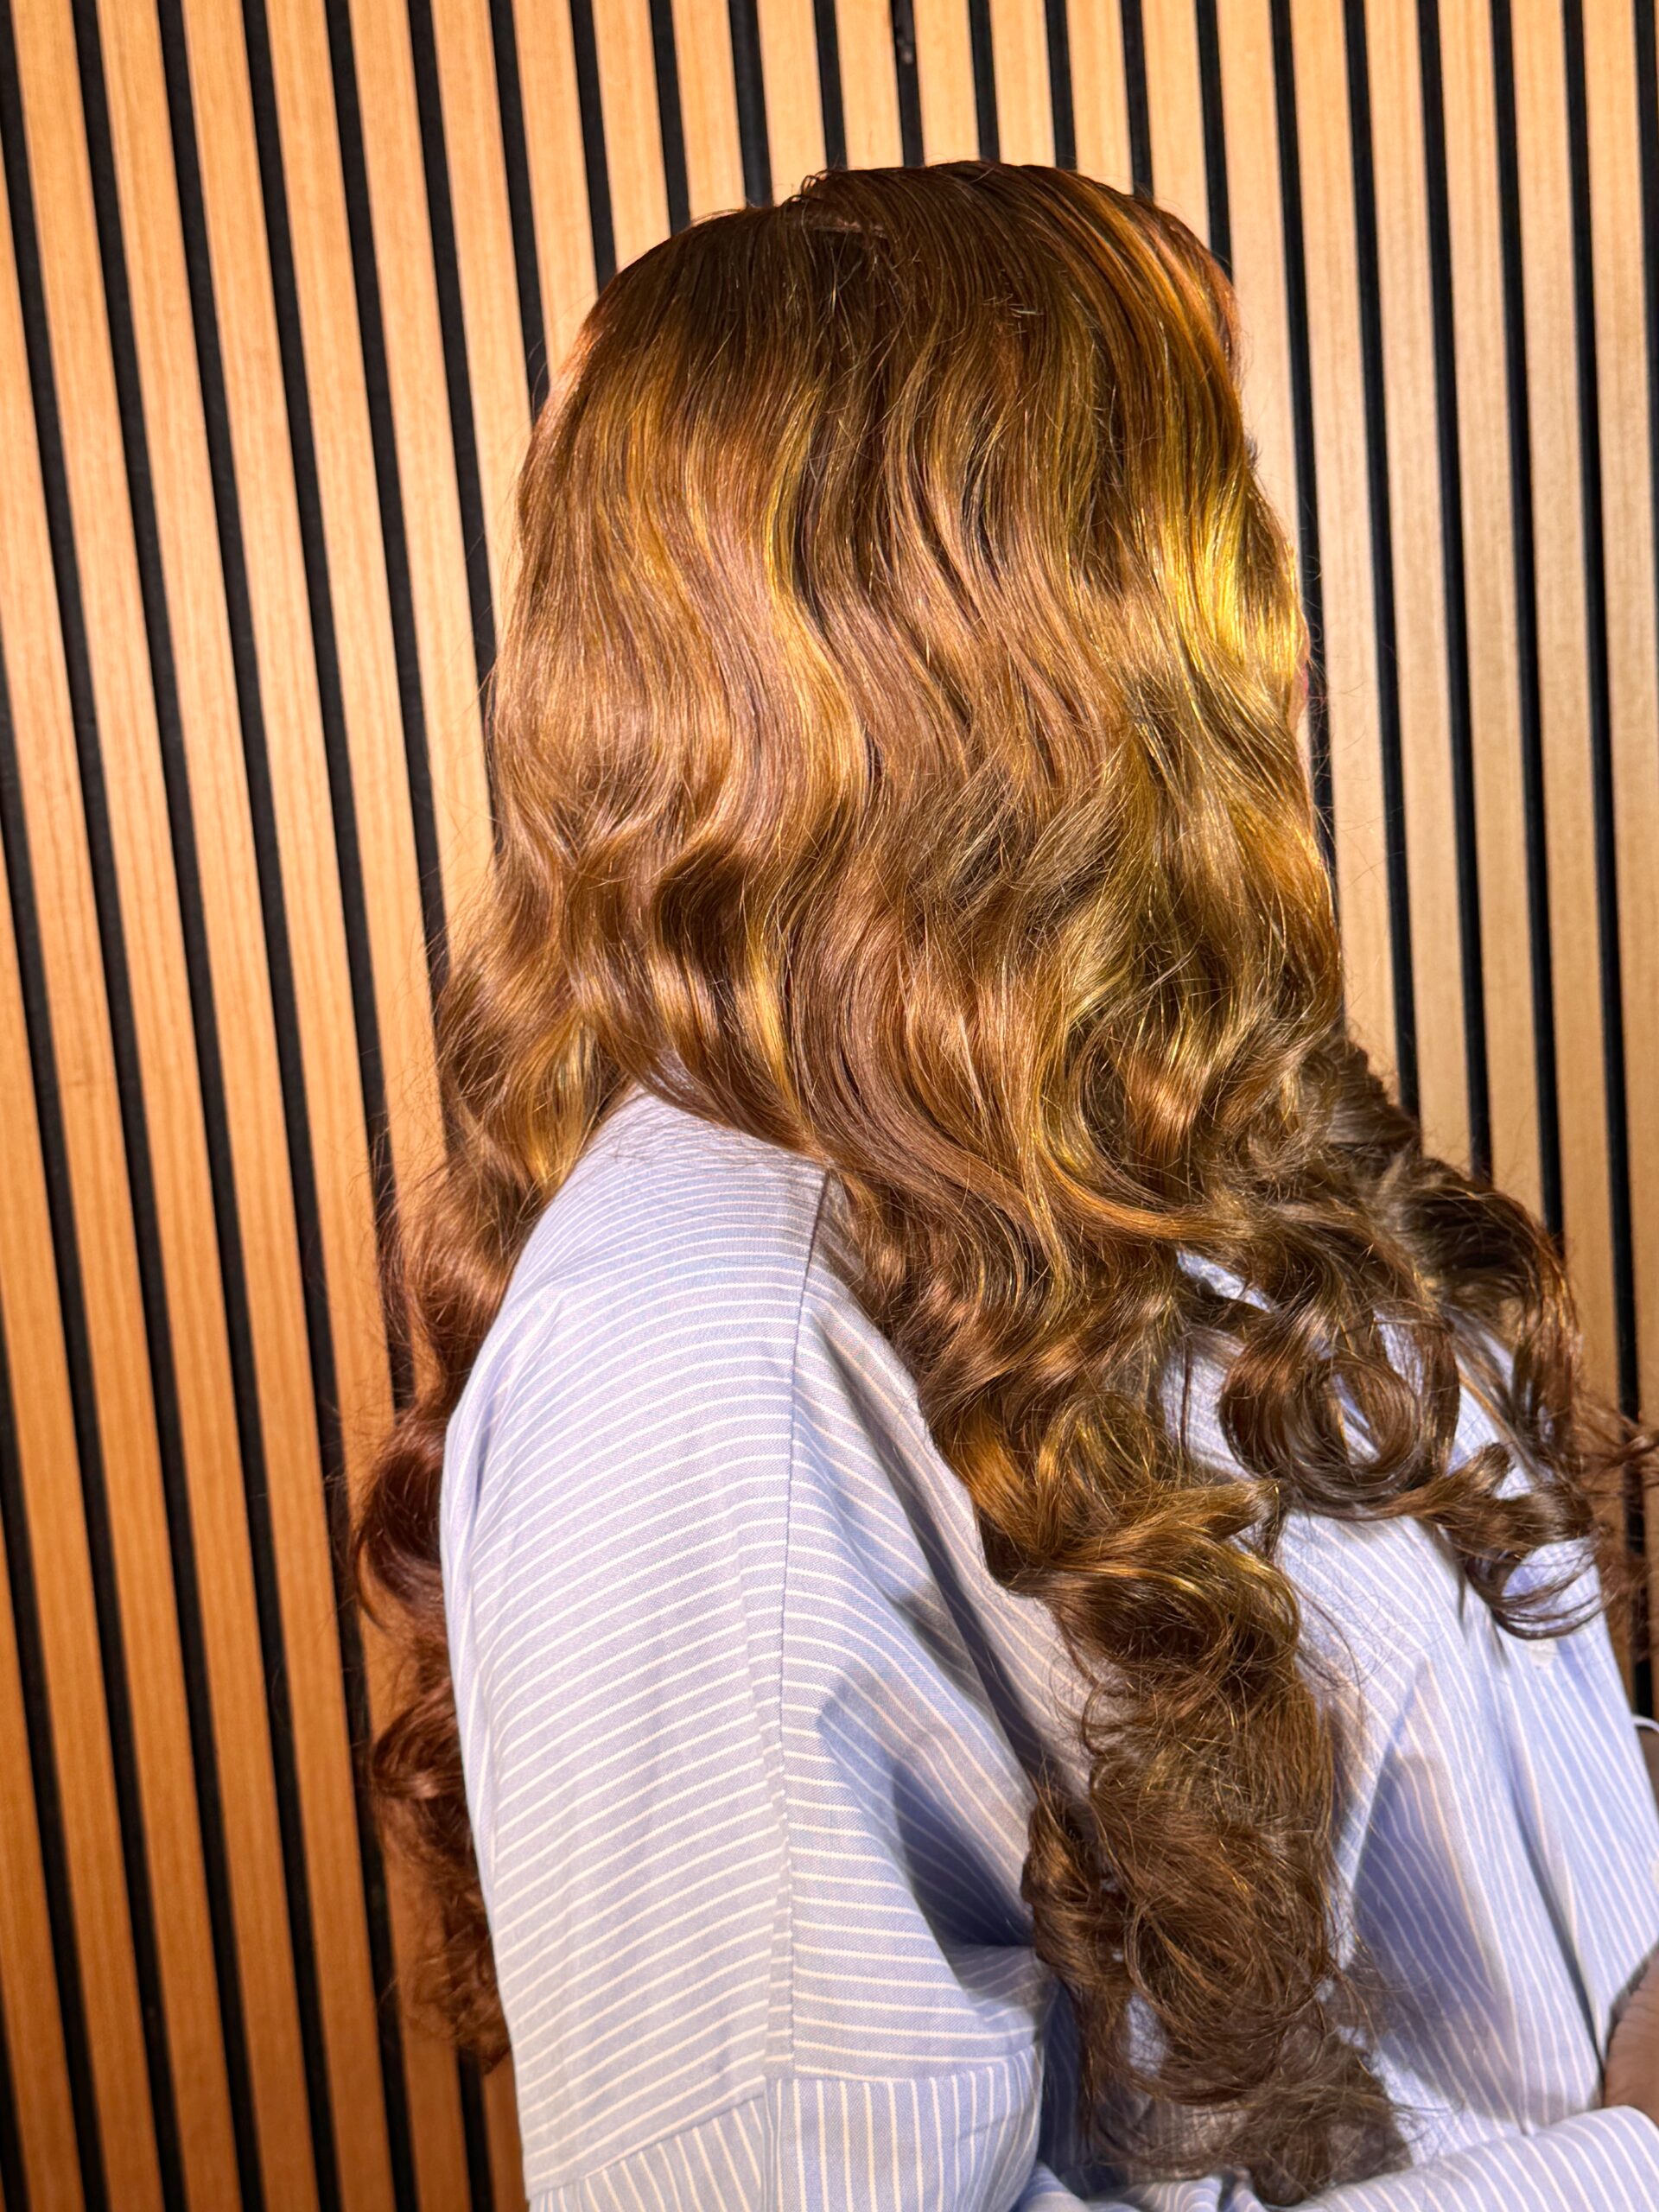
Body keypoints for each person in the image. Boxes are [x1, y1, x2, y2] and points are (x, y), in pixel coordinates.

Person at [353, 161, 1659, 2208]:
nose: (1279, 628)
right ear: (1008, 626)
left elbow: (1429, 1858)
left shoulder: (1108, 1152)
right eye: (1212, 520)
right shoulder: (697, 1356)